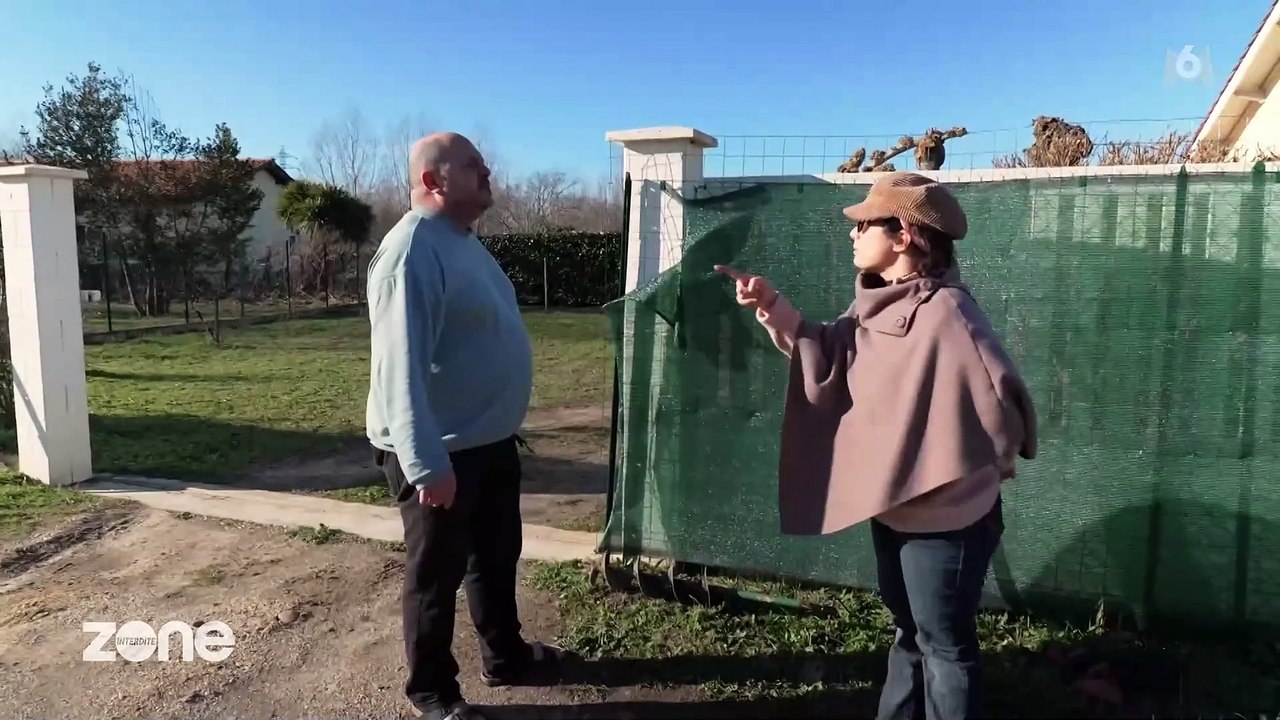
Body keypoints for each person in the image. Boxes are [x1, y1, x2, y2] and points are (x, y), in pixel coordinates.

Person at [715, 172, 1037, 720]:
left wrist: (991, 458)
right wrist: (772, 305)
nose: (852, 233)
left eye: (864, 224)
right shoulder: (875, 304)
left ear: (905, 235)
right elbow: (831, 352)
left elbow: (1001, 397)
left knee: (944, 647)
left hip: (947, 520)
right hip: (893, 510)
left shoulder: (947, 312)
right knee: (908, 632)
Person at [366, 131, 565, 720]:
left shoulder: (461, 241)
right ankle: (433, 694)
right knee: (436, 577)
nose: (487, 172)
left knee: (495, 558)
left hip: (487, 443)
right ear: (433, 180)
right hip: (442, 451)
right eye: (473, 165)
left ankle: (505, 657)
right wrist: (427, 463)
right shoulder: (412, 251)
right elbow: (398, 367)